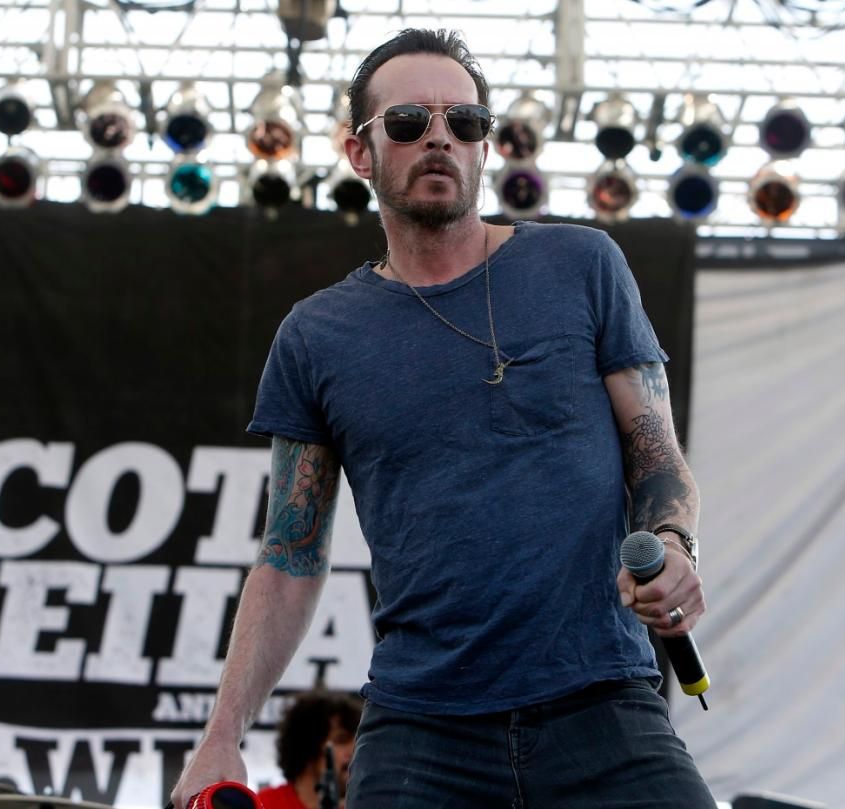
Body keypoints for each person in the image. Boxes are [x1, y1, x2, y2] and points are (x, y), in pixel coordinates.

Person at [171, 28, 716, 809]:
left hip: (601, 698)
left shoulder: (583, 265)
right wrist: (221, 732)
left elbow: (655, 457)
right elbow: (289, 554)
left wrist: (671, 543)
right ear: (359, 153)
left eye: (463, 121)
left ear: (484, 147)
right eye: (406, 122)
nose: (439, 137)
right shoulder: (316, 335)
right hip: (422, 727)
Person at [256, 691, 362, 809]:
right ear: (308, 746)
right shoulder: (264, 804)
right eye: (342, 740)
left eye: (359, 741)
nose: (355, 751)